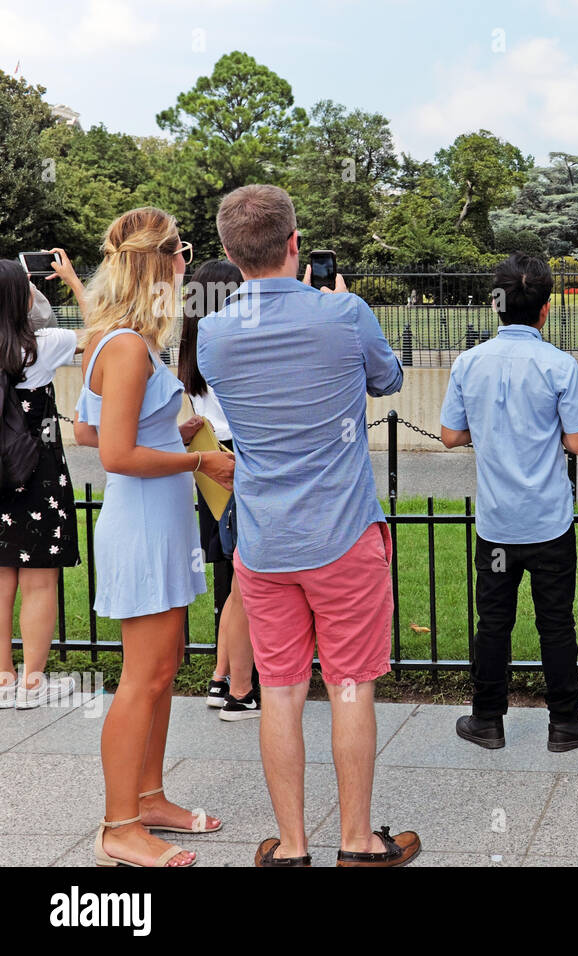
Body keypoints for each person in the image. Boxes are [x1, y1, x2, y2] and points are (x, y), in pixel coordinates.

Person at [199, 184, 419, 867]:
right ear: (295, 244)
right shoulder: (345, 314)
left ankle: (292, 845)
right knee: (350, 684)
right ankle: (356, 841)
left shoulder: (212, 332)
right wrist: (336, 307)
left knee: (282, 692)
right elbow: (388, 382)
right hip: (344, 533)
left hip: (264, 542)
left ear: (233, 256)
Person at [74, 207, 235, 867]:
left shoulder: (115, 341)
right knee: (142, 679)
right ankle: (118, 826)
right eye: (182, 252)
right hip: (142, 527)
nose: (186, 263)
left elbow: (93, 431)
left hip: (155, 524)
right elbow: (112, 454)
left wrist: (168, 439)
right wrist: (199, 458)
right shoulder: (129, 347)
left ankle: (150, 797)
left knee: (163, 672)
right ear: (161, 262)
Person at [441, 253, 578, 753]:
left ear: (496, 303)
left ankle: (487, 719)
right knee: (555, 621)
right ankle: (565, 722)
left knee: (493, 622)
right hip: (549, 520)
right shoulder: (559, 364)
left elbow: (451, 435)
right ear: (546, 309)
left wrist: (491, 431)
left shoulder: (469, 362)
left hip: (496, 523)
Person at [178, 259, 259, 721]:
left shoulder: (192, 345)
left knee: (229, 572)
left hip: (208, 460)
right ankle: (235, 682)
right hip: (237, 458)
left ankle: (220, 675)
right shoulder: (231, 342)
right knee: (244, 575)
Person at [0, 260, 81, 709]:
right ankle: (32, 682)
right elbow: (107, 330)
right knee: (38, 581)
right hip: (36, 474)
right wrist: (71, 281)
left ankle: (1, 678)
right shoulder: (44, 345)